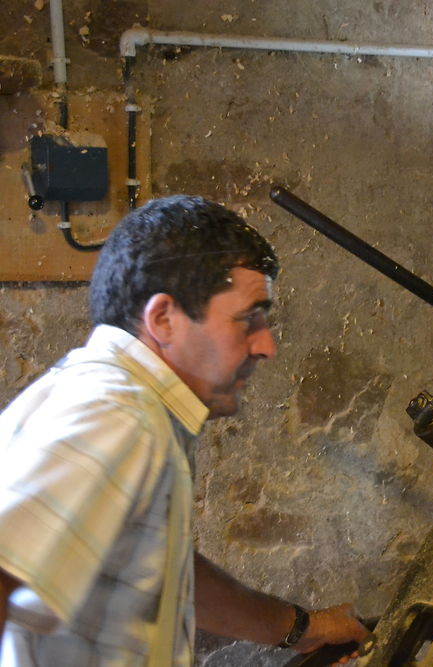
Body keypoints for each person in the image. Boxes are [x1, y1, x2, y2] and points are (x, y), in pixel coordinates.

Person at [0, 195, 371, 665]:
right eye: (247, 319)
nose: (266, 346)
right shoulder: (117, 416)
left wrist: (298, 628)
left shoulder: (123, 403)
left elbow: (161, 570)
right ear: (163, 320)